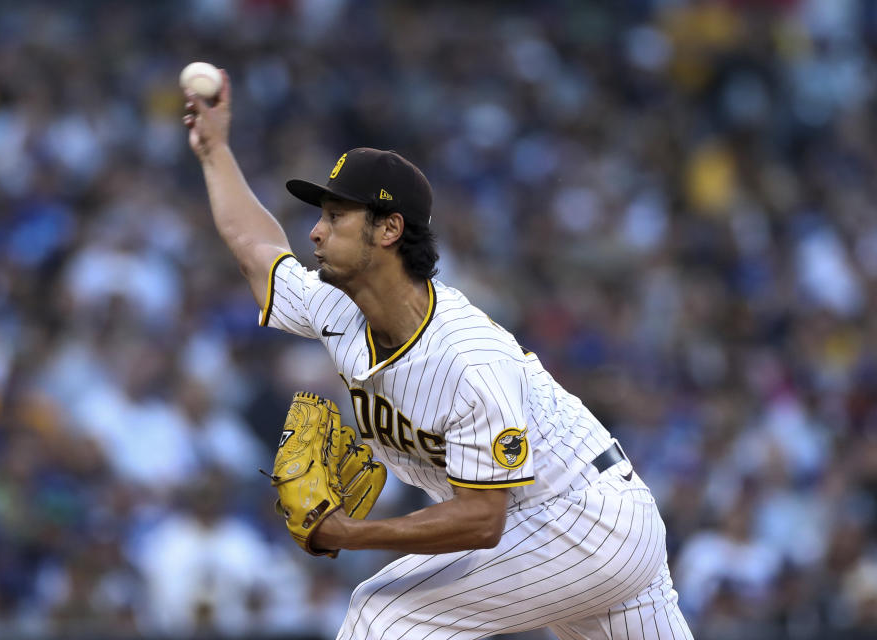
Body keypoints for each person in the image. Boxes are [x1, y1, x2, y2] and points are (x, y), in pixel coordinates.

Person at [183, 69, 693, 640]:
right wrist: (216, 151)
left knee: (384, 613)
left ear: (388, 229)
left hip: (582, 518)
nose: (316, 234)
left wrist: (349, 532)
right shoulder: (337, 305)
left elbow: (482, 520)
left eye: (335, 216)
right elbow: (258, 250)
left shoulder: (468, 359)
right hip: (577, 528)